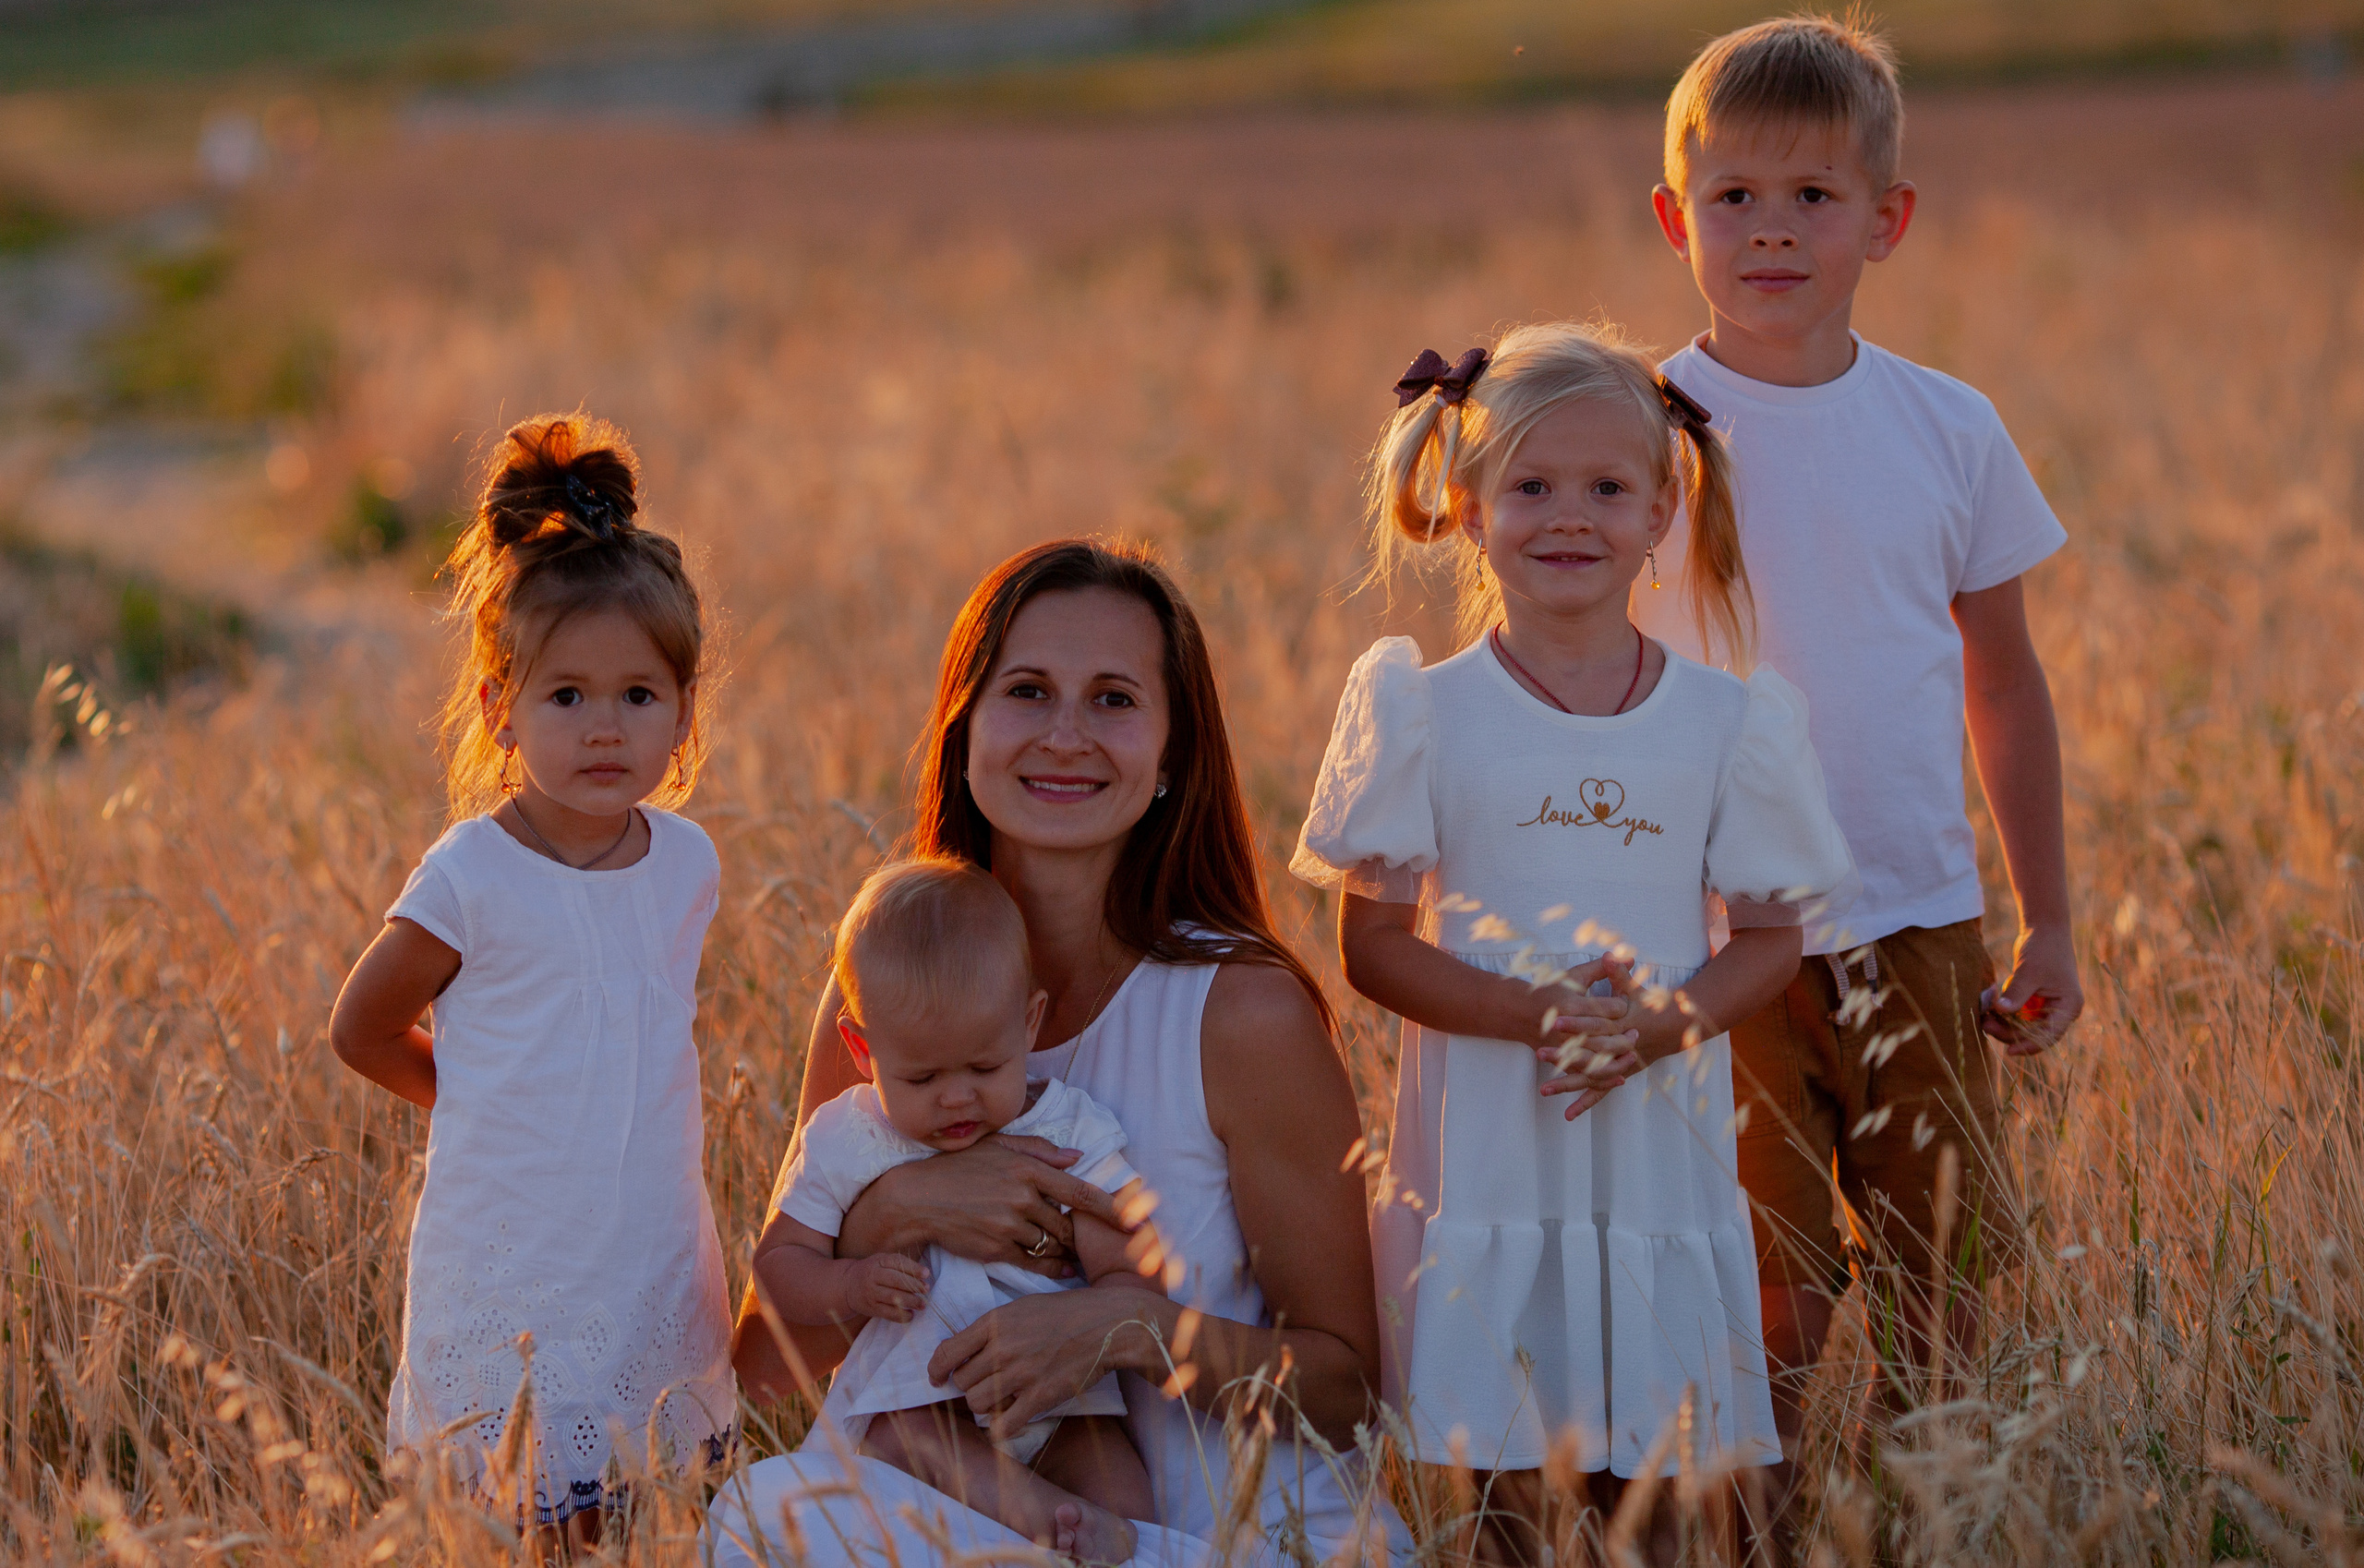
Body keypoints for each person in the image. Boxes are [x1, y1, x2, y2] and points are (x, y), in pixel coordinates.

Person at [710, 539, 1408, 1568]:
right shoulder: (884, 994)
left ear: (1173, 753)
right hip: (966, 1528)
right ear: (965, 727)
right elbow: (767, 1372)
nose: (1066, 736)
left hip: (1213, 1539)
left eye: (1115, 700)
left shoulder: (1240, 1012)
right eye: (1028, 691)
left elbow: (1346, 1391)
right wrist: (899, 1212)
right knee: (761, 1516)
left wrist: (1127, 1332)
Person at [1292, 323, 1857, 1562]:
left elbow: (1769, 937)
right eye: (1532, 485)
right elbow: (1374, 942)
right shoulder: (1424, 709)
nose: (1569, 516)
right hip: (1501, 1132)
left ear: (1663, 505)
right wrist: (1537, 1012)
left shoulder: (1727, 718)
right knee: (1509, 1484)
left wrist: (1655, 1023)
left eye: (1607, 488)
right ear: (1469, 501)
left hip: (1657, 1130)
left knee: (1655, 1478)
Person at [1641, 12, 2081, 1538]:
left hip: (1914, 910)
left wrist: (2052, 918)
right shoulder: (1637, 433)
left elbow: (2003, 679)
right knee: (1764, 1299)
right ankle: (1761, 1528)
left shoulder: (1947, 426)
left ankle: (1924, 1524)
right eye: (1734, 196)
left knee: (1946, 1276)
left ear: (1885, 222)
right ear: (1672, 218)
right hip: (1711, 935)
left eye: (1814, 197)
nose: (1772, 228)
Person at [328, 415, 732, 1541]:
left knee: (651, 1499)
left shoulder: (687, 864)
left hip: (647, 1234)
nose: (605, 729)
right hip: (516, 1253)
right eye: (567, 697)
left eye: (639, 697)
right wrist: (491, 1106)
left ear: (684, 710)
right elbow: (361, 1029)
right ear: (502, 705)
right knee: (524, 1513)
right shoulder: (473, 874)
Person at [762, 857, 1165, 1563]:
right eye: (921, 1077)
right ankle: (1036, 1516)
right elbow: (778, 1270)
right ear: (861, 1048)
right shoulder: (847, 1137)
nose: (957, 1099)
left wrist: (1087, 1320)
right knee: (924, 1440)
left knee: (1127, 1502)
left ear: (1029, 1021)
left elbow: (1134, 1272)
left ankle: (1071, 1526)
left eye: (985, 1068)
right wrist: (848, 1285)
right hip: (921, 1396)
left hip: (1057, 1397)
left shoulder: (1073, 1132)